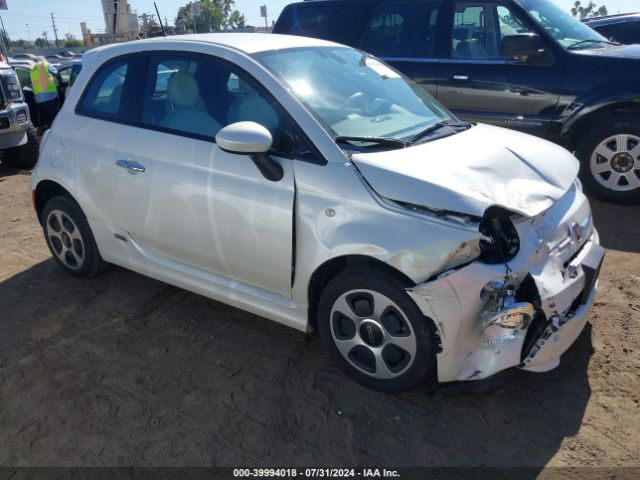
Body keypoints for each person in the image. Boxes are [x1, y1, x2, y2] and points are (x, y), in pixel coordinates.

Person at [30, 59, 60, 132]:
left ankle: (43, 135)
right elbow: (56, 73)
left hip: (39, 99)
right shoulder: (44, 64)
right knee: (54, 119)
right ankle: (54, 134)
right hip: (49, 96)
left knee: (45, 120)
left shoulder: (32, 70)